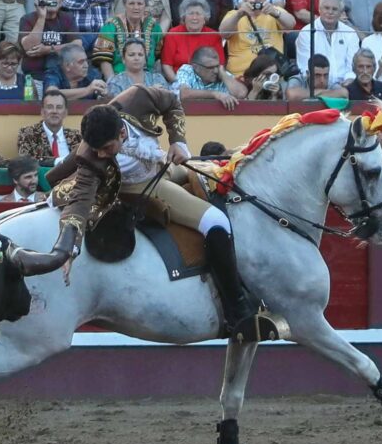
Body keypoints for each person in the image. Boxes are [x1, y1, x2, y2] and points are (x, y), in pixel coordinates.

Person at [45, 88, 257, 339]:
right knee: (216, 221)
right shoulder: (91, 158)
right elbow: (79, 204)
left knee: (215, 176)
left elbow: (172, 102)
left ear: (122, 132)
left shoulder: (136, 97)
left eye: (106, 148)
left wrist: (178, 141)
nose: (101, 154)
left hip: (161, 165)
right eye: (97, 149)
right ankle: (237, 310)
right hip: (136, 186)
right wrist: (67, 249)